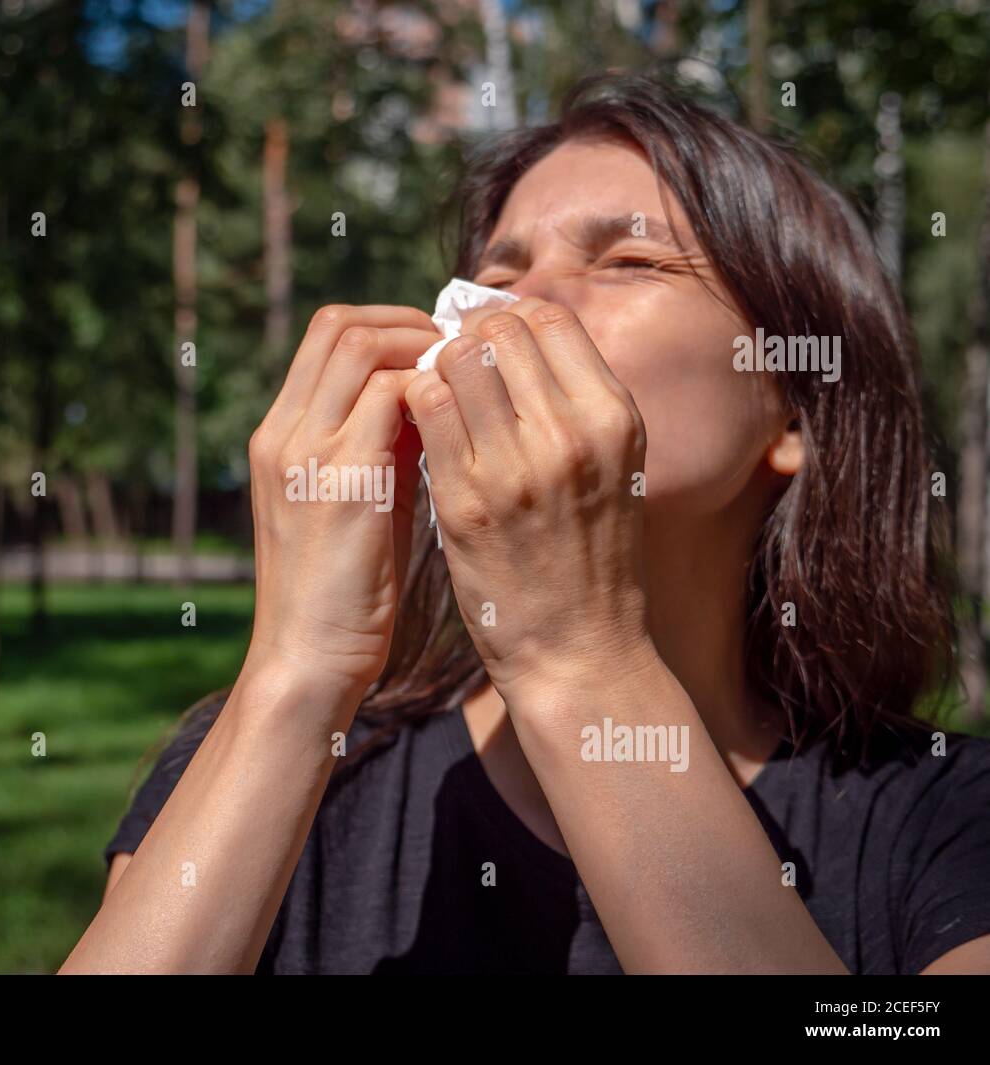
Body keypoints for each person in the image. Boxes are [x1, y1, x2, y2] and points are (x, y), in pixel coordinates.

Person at [61, 72, 990, 975]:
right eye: (497, 271)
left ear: (793, 409)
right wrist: (298, 666)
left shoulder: (948, 819)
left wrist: (575, 659)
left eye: (628, 262)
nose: (520, 306)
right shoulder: (283, 758)